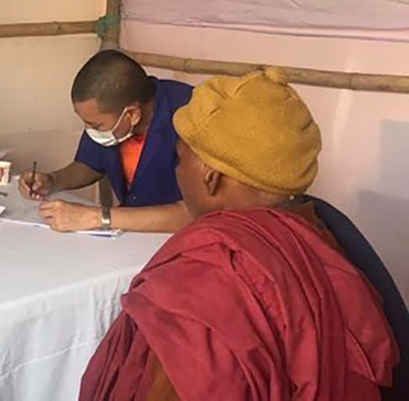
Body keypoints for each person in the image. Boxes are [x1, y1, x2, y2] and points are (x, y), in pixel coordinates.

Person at [79, 69, 400, 401]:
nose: (177, 171)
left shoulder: (205, 278)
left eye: (180, 158)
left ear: (211, 176)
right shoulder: (323, 232)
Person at [18, 50, 193, 233]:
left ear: (132, 114)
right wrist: (52, 180)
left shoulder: (193, 117)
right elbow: (89, 165)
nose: (89, 130)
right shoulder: (113, 118)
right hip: (132, 236)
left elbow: (195, 214)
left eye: (96, 125)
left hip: (181, 238)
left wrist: (95, 217)